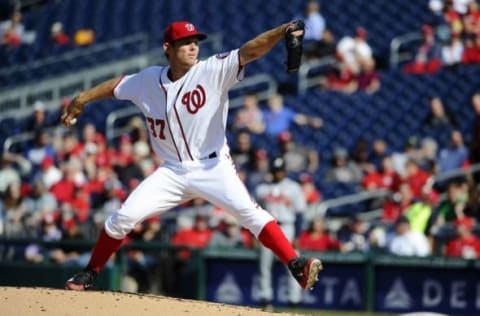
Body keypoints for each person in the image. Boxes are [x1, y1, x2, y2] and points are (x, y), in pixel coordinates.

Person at [62, 21, 322, 291]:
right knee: (122, 218)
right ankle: (90, 272)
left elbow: (250, 52)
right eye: (186, 42)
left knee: (251, 214)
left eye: (196, 42)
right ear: (168, 48)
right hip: (172, 171)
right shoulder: (148, 80)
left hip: (213, 166)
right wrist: (82, 99)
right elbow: (116, 85)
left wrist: (281, 32)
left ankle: (296, 264)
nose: (193, 47)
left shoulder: (212, 70)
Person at [255, 157, 306, 309]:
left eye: (281, 170)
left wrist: (297, 235)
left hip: (287, 227)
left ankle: (294, 300)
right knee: (264, 265)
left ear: (285, 171)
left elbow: (300, 214)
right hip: (267, 227)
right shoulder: (262, 188)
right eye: (276, 170)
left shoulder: (294, 187)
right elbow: (253, 212)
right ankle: (265, 298)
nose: (278, 173)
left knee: (293, 264)